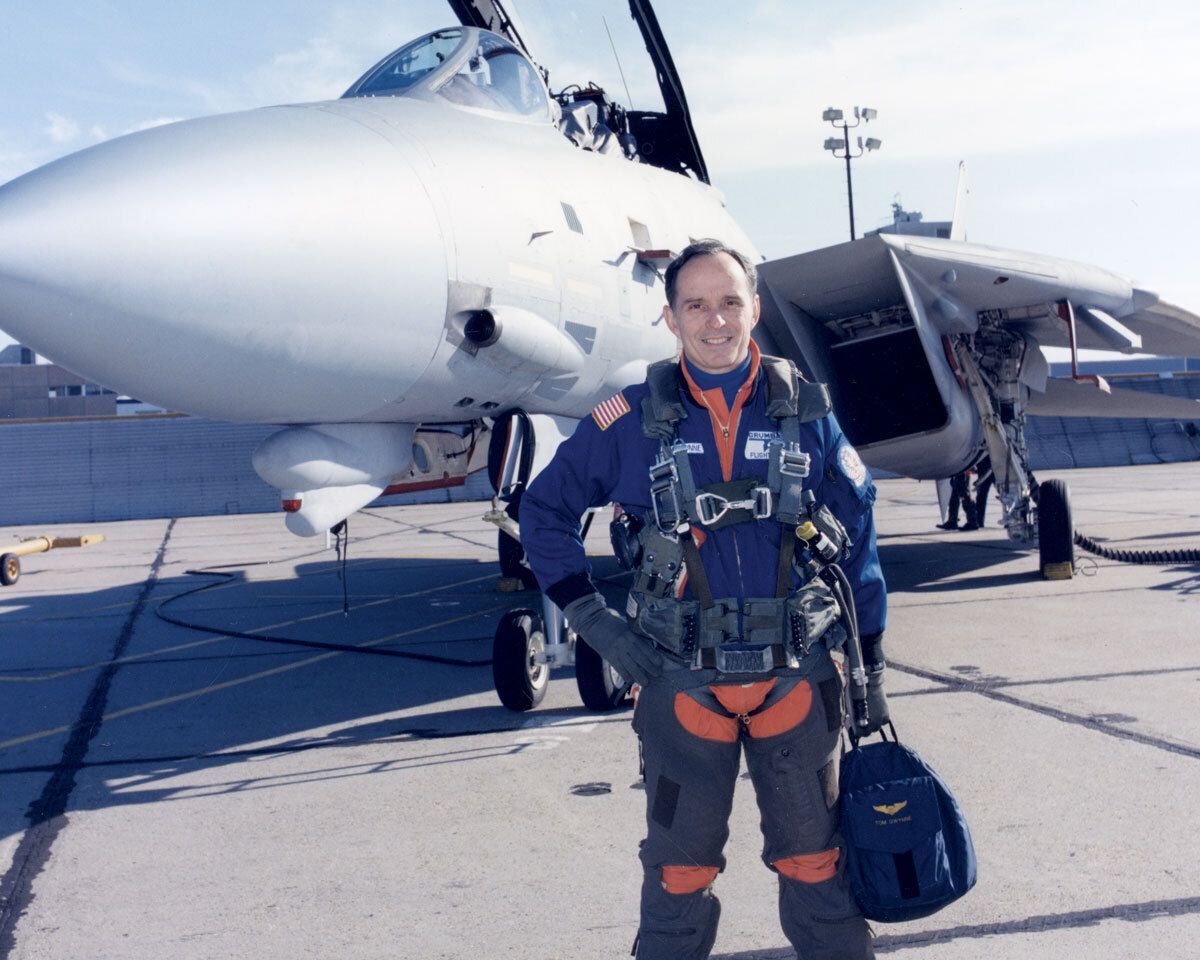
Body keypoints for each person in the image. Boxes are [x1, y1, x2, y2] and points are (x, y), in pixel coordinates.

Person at [520, 239, 888, 959]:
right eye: (696, 305)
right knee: (678, 872)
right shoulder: (627, 420)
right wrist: (594, 622)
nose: (715, 321)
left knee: (816, 863)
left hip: (796, 677)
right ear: (670, 317)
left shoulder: (807, 413)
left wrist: (871, 662)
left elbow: (861, 539)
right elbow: (543, 513)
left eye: (729, 303)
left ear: (754, 309)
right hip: (680, 681)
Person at [970, 455, 994, 529]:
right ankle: (979, 521)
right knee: (981, 497)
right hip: (990, 466)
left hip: (986, 467)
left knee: (981, 497)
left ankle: (979, 521)